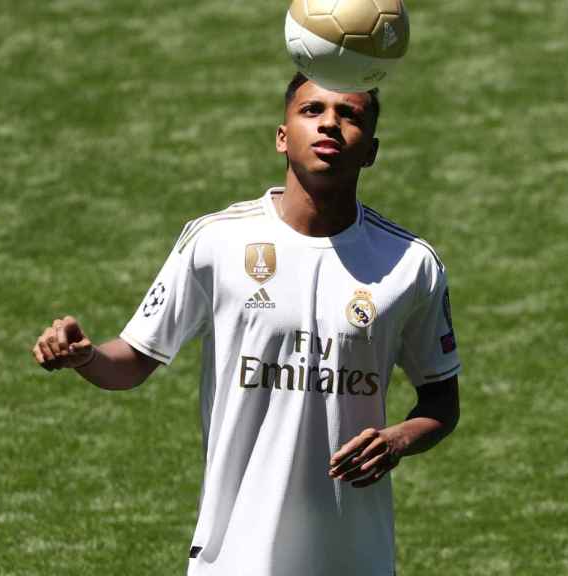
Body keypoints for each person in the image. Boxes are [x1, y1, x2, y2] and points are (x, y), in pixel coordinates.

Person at [32, 72, 460, 576]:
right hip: (235, 555)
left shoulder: (410, 263)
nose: (329, 124)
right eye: (312, 111)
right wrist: (86, 355)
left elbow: (441, 401)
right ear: (282, 136)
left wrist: (399, 439)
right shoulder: (217, 242)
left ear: (371, 150)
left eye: (349, 115)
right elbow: (132, 362)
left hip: (354, 556)